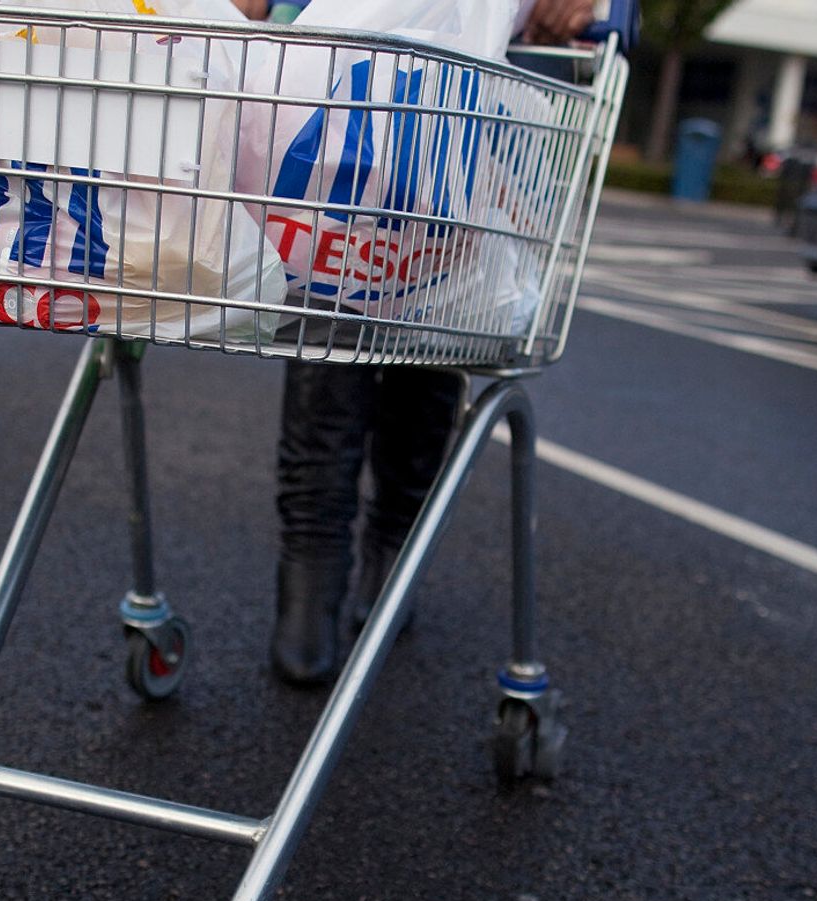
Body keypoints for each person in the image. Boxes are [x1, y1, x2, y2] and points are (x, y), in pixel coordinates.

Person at [242, 0, 597, 684]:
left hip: (488, 73)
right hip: (348, 65)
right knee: (332, 296)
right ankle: (314, 561)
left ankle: (393, 546)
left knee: (436, 315)